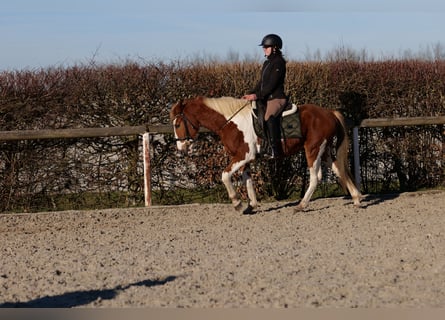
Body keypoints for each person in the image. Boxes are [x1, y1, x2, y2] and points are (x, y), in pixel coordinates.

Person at [242, 34, 287, 159]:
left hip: (276, 98)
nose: (264, 49)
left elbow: (272, 84)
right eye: (264, 47)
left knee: (268, 117)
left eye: (267, 47)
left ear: (275, 48)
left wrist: (257, 96)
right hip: (266, 98)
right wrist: (251, 93)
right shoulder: (267, 63)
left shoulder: (279, 63)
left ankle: (275, 150)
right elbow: (261, 83)